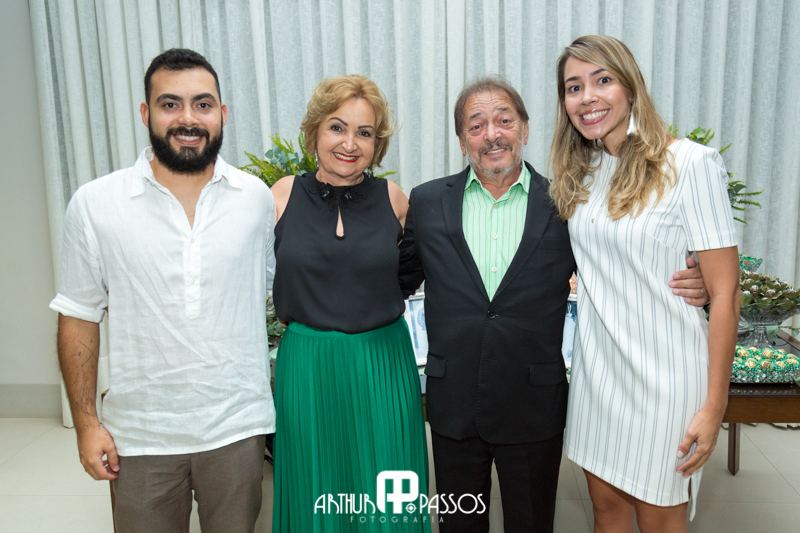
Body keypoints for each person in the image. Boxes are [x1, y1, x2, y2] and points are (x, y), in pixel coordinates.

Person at [398, 76, 710, 533]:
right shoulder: (427, 201)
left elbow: (621, 266)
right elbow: (397, 280)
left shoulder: (569, 203)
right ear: (462, 140)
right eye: (476, 125)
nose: (492, 135)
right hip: (454, 403)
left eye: (504, 121)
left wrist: (700, 280)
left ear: (525, 129)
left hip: (533, 405)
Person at [50, 48, 275, 533]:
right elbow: (78, 316)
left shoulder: (255, 199)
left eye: (202, 104)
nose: (188, 119)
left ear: (222, 113)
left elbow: (273, 292)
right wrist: (87, 425)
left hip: (236, 428)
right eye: (170, 104)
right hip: (139, 435)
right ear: (145, 113)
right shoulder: (96, 203)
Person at [551, 35, 740, 532]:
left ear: (631, 87)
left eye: (602, 80)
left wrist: (715, 406)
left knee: (660, 521)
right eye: (574, 87)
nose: (587, 97)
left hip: (665, 380)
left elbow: (725, 293)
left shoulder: (691, 164)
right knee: (606, 512)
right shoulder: (582, 172)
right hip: (597, 375)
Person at [269, 75, 430, 532]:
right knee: (314, 490)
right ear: (314, 132)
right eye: (337, 127)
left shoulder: (396, 201)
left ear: (377, 145)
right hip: (308, 368)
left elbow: (408, 277)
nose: (349, 143)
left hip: (383, 366)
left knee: (387, 494)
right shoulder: (280, 196)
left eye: (364, 133)